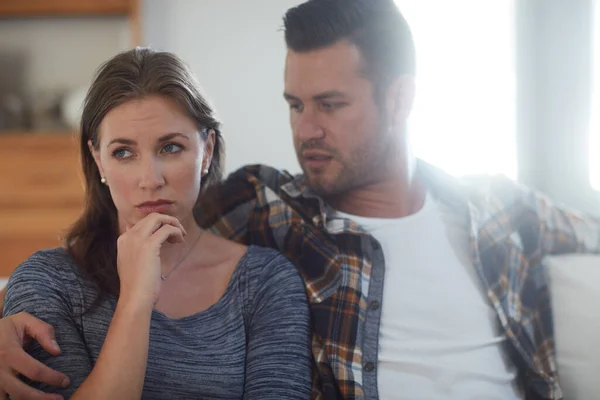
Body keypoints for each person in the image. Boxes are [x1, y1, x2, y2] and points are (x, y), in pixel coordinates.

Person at [0, 0, 598, 399]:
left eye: (330, 105)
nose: (305, 128)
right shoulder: (272, 205)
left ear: (400, 99)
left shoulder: (495, 210)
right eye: (294, 104)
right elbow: (125, 230)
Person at [0, 48, 312, 400]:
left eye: (170, 148)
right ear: (98, 161)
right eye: (123, 152)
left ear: (206, 151)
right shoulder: (47, 281)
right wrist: (135, 299)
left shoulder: (266, 281)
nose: (150, 179)